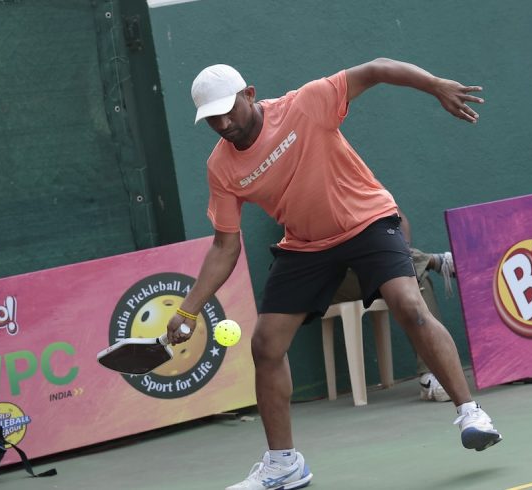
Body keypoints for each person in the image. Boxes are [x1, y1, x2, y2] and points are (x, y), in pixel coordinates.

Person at [167, 58, 502, 490]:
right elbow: (224, 246)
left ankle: (470, 412)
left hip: (366, 220)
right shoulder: (222, 167)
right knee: (266, 345)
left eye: (229, 110)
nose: (224, 123)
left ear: (249, 94)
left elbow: (377, 69)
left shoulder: (306, 104)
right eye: (213, 118)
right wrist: (189, 311)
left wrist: (435, 84)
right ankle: (283, 465)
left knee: (407, 303)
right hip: (306, 244)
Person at [329, 210, 456, 402]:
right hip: (335, 278)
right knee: (392, 261)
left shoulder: (360, 191)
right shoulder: (305, 198)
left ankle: (432, 375)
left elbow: (398, 216)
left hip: (374, 267)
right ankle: (432, 260)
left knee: (415, 276)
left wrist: (400, 250)